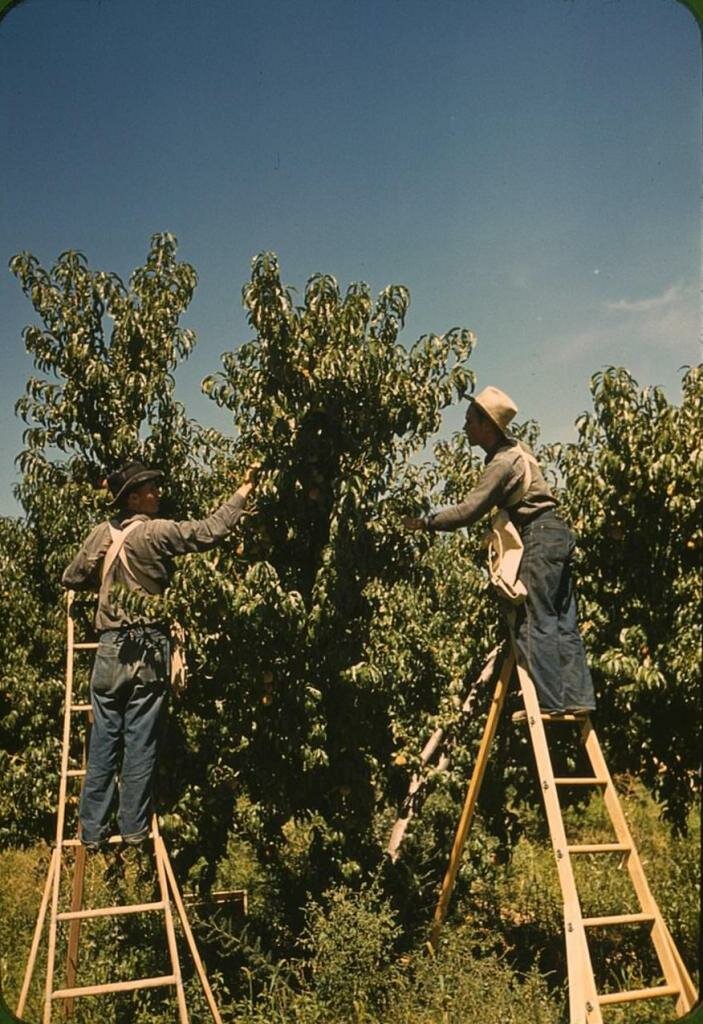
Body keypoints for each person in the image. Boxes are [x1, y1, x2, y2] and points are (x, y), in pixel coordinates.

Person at [62, 460, 257, 850]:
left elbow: (72, 577)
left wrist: (107, 586)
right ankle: (133, 831)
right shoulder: (157, 532)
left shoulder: (102, 534)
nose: (158, 493)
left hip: (110, 648)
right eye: (150, 488)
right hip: (148, 646)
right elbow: (209, 531)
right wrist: (244, 492)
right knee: (140, 742)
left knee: (103, 740)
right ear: (133, 498)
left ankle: (93, 832)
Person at [403, 386, 595, 716]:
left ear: (487, 426)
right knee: (562, 620)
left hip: (537, 534)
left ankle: (550, 703)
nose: (464, 427)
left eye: (469, 420)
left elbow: (469, 511)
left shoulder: (503, 463)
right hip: (558, 533)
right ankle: (578, 699)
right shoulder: (519, 451)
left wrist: (424, 523)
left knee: (533, 619)